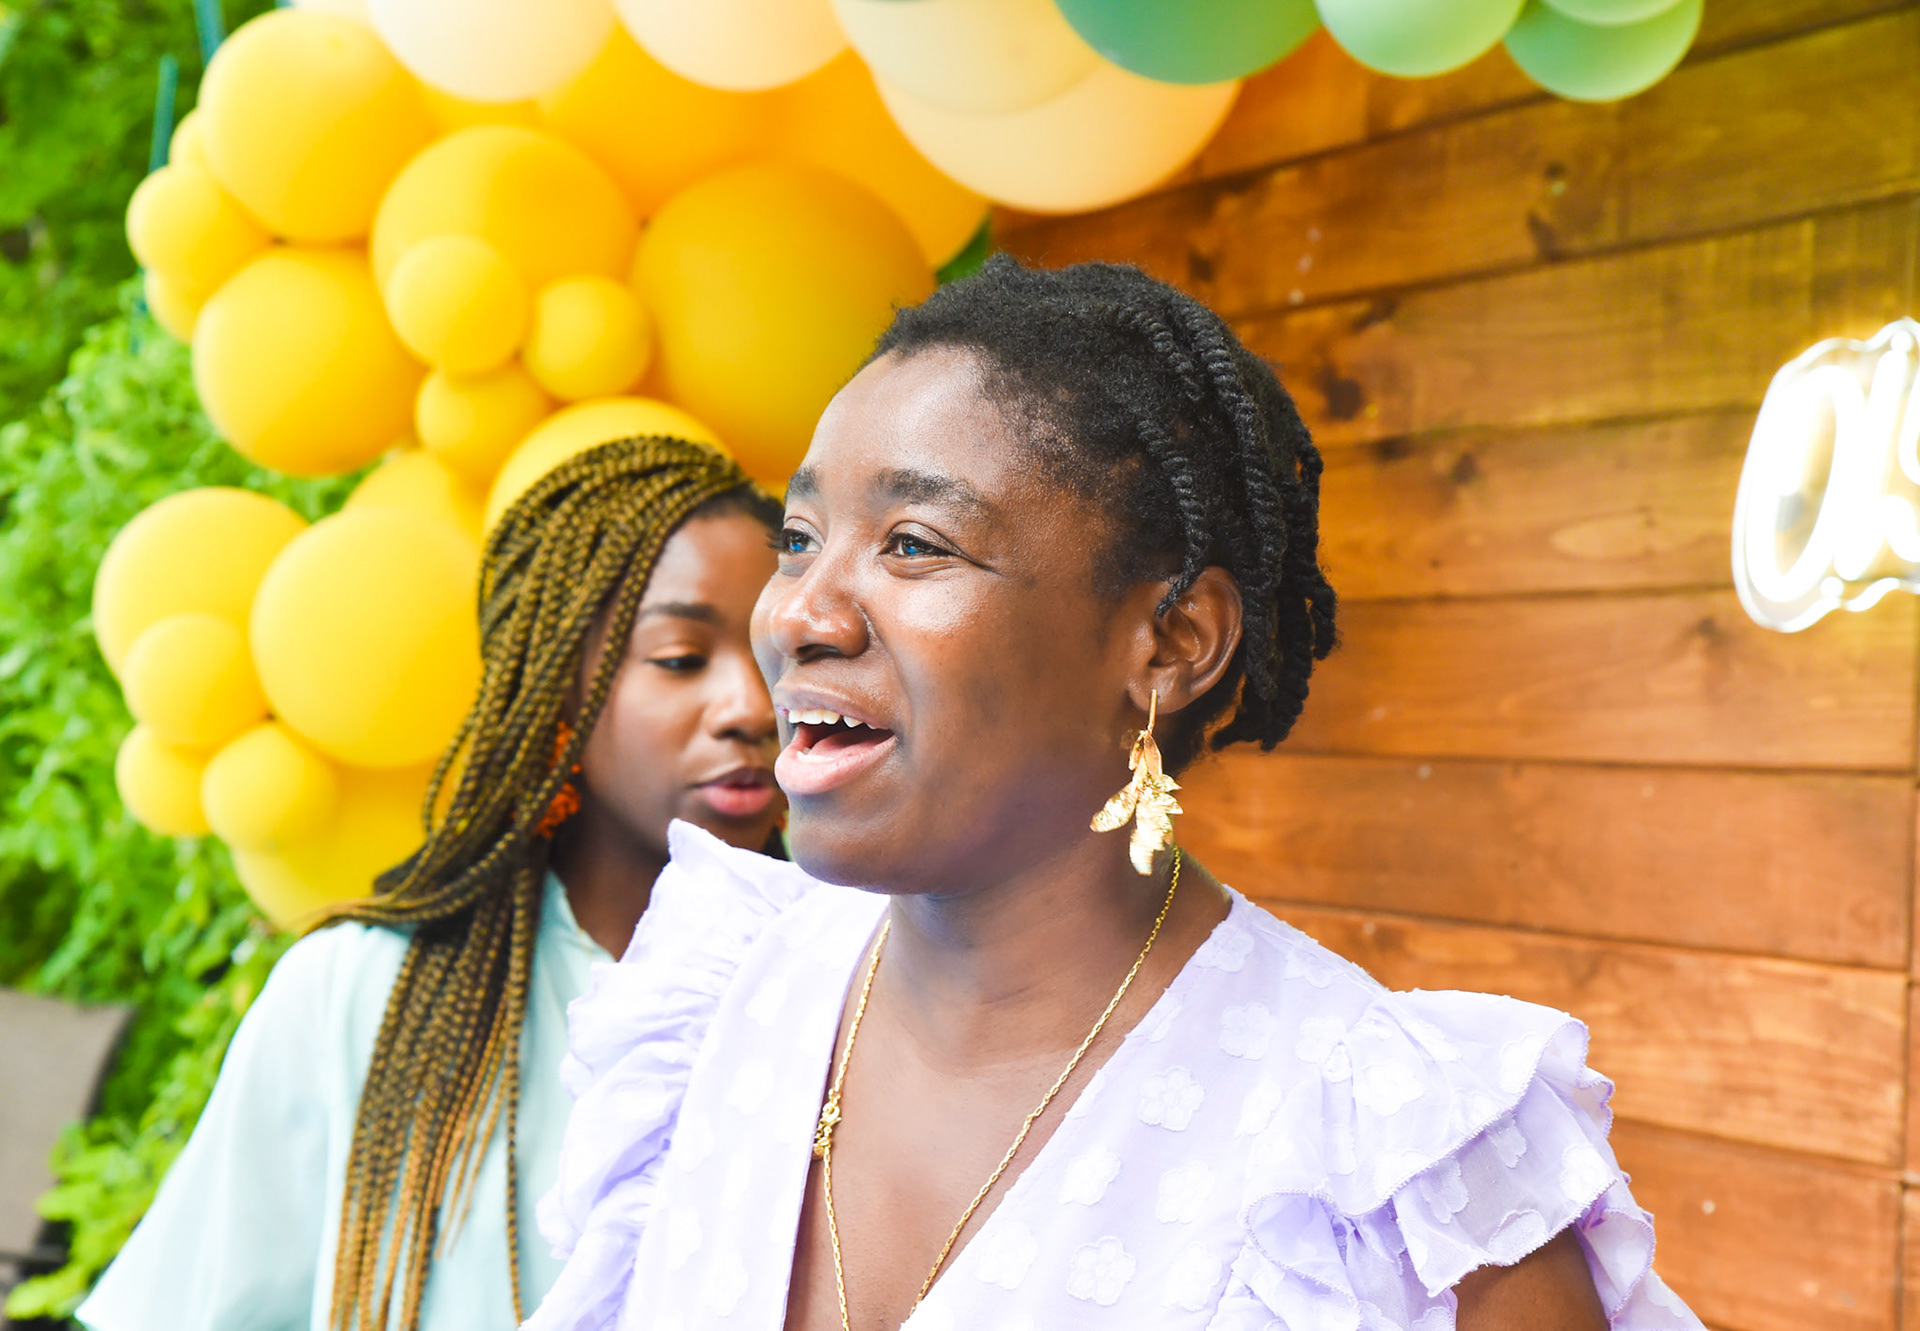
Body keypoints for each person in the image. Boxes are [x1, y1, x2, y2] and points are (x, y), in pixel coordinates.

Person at [530, 259, 1703, 1331]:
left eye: (914, 543)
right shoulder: (720, 994)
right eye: (799, 537)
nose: (797, 613)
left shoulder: (1398, 1177)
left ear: (1173, 641)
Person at [79, 436, 787, 1331]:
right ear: (555, 684)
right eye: (680, 657)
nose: (752, 705)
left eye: (783, 655)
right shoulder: (359, 994)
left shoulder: (868, 986)